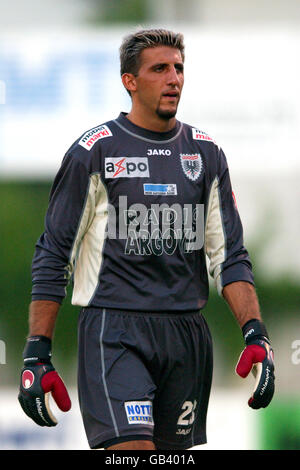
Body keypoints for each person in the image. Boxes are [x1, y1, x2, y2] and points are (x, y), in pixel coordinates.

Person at [18, 28, 275, 451]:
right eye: (160, 69)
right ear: (129, 81)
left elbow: (230, 257)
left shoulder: (206, 153)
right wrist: (35, 351)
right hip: (114, 328)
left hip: (186, 333)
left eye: (179, 69)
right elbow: (53, 254)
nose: (174, 78)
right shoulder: (94, 152)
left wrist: (255, 332)